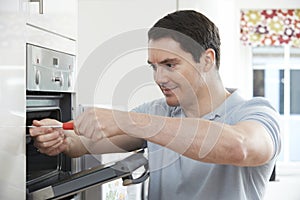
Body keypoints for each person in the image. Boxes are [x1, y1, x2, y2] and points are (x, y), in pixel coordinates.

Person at [30, 10, 281, 200]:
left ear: (207, 60)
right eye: (154, 66)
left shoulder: (255, 112)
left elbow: (240, 148)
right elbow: (82, 144)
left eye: (170, 64)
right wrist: (61, 139)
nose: (158, 78)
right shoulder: (157, 112)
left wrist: (128, 120)